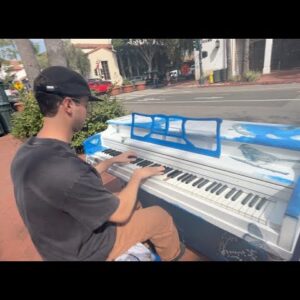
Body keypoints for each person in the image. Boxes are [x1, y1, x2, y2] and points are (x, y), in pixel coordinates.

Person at [11, 66, 200, 261]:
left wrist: (111, 161)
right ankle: (174, 256)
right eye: (85, 105)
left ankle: (141, 248)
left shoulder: (28, 152)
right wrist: (137, 176)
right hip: (83, 252)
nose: (88, 112)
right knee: (159, 216)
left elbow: (74, 185)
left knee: (133, 203)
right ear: (68, 105)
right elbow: (118, 213)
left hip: (60, 242)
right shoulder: (66, 169)